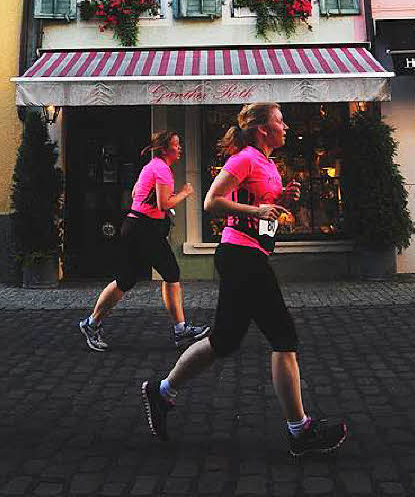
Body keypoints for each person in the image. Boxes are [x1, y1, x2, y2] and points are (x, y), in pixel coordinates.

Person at [141, 103, 348, 458]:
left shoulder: (265, 162)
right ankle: (300, 430)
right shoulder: (244, 159)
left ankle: (162, 392)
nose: (286, 126)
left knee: (223, 341)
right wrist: (257, 210)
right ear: (262, 129)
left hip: (250, 255)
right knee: (283, 337)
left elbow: (261, 204)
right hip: (242, 256)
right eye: (280, 121)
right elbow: (210, 201)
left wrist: (281, 199)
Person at [79, 131, 209, 352]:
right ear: (166, 149)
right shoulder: (161, 169)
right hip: (143, 229)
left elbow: (136, 194)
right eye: (177, 145)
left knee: (126, 280)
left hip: (135, 225)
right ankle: (180, 330)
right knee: (171, 273)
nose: (180, 148)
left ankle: (91, 324)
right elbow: (164, 204)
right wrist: (186, 192)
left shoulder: (151, 167)